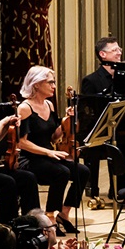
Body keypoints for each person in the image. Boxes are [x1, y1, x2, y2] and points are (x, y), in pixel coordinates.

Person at [16, 66, 88, 236]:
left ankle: (64, 213)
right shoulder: (25, 108)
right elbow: (22, 143)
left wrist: (66, 122)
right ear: (36, 84)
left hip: (49, 155)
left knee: (82, 171)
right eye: (50, 82)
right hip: (30, 159)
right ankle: (50, 217)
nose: (54, 86)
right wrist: (48, 152)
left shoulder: (49, 104)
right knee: (61, 172)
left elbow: (54, 138)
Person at [0, 71, 39, 223]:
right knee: (7, 182)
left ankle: (30, 223)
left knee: (27, 177)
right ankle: (8, 227)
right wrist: (4, 121)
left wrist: (8, 128)